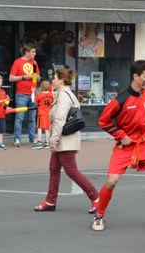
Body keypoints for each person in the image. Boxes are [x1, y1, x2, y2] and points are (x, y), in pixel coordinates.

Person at [91, 60, 145, 232]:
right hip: (125, 147)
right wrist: (121, 135)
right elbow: (103, 121)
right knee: (111, 181)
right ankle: (99, 215)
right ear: (135, 76)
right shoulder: (121, 99)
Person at [34, 67, 99, 213]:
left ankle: (96, 198)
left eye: (55, 78)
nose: (52, 81)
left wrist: (53, 141)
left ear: (62, 80)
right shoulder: (66, 94)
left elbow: (59, 120)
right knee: (54, 169)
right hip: (65, 138)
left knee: (71, 171)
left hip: (65, 139)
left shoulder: (63, 96)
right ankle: (50, 201)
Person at [9, 43, 40, 147]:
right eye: (33, 52)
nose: (35, 53)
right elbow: (11, 78)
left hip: (33, 93)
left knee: (32, 118)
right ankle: (17, 139)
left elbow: (39, 77)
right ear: (26, 53)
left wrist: (34, 76)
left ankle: (32, 138)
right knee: (20, 117)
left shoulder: (34, 62)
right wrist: (24, 77)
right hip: (21, 93)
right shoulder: (17, 62)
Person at [32, 80, 54, 149]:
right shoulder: (51, 95)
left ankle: (39, 142)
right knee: (47, 129)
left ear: (41, 87)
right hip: (49, 114)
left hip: (41, 114)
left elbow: (33, 100)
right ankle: (47, 143)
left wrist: (32, 92)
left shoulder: (40, 95)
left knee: (39, 128)